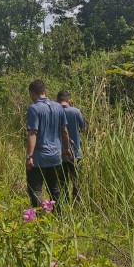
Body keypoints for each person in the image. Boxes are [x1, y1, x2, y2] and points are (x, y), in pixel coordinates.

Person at [25, 79, 72, 209]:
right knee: (55, 188)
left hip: (39, 158)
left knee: (35, 189)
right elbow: (64, 131)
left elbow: (32, 133)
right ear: (45, 91)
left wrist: (29, 156)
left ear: (32, 93)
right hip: (56, 156)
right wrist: (66, 149)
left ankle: (38, 217)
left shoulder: (34, 109)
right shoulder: (58, 107)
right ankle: (58, 215)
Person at [57, 90, 87, 202]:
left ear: (57, 100)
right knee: (76, 180)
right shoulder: (76, 111)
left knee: (62, 182)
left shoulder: (54, 111)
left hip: (59, 153)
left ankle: (64, 203)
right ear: (69, 100)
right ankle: (77, 203)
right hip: (75, 152)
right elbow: (84, 129)